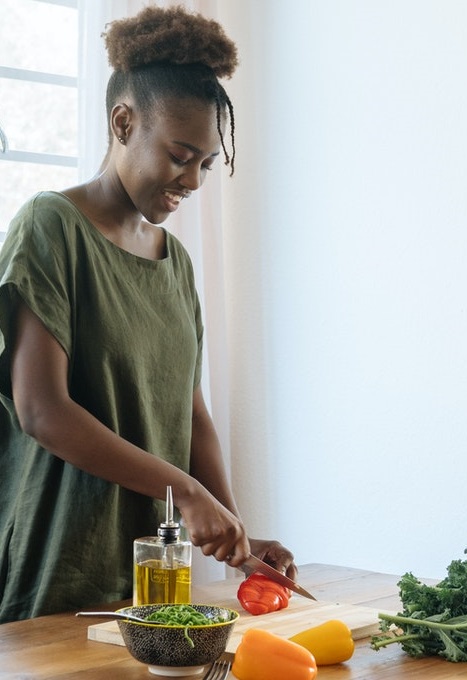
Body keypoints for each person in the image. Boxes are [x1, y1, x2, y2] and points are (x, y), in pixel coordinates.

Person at [0, 5, 296, 623]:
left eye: (206, 165)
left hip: (154, 577)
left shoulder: (177, 263)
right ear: (123, 121)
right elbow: (40, 410)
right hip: (58, 568)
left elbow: (188, 413)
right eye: (180, 155)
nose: (192, 180)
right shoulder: (50, 228)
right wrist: (185, 493)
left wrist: (237, 539)